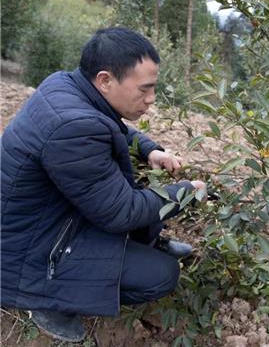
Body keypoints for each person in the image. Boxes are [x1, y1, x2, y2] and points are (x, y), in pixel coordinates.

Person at [1, 27, 205, 342]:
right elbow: (121, 212)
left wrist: (151, 150)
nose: (150, 100)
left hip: (44, 218)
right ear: (105, 80)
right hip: (29, 251)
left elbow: (114, 128)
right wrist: (186, 194)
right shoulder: (74, 129)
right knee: (161, 275)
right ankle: (46, 300)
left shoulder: (66, 86)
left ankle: (140, 244)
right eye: (144, 90)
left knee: (128, 184)